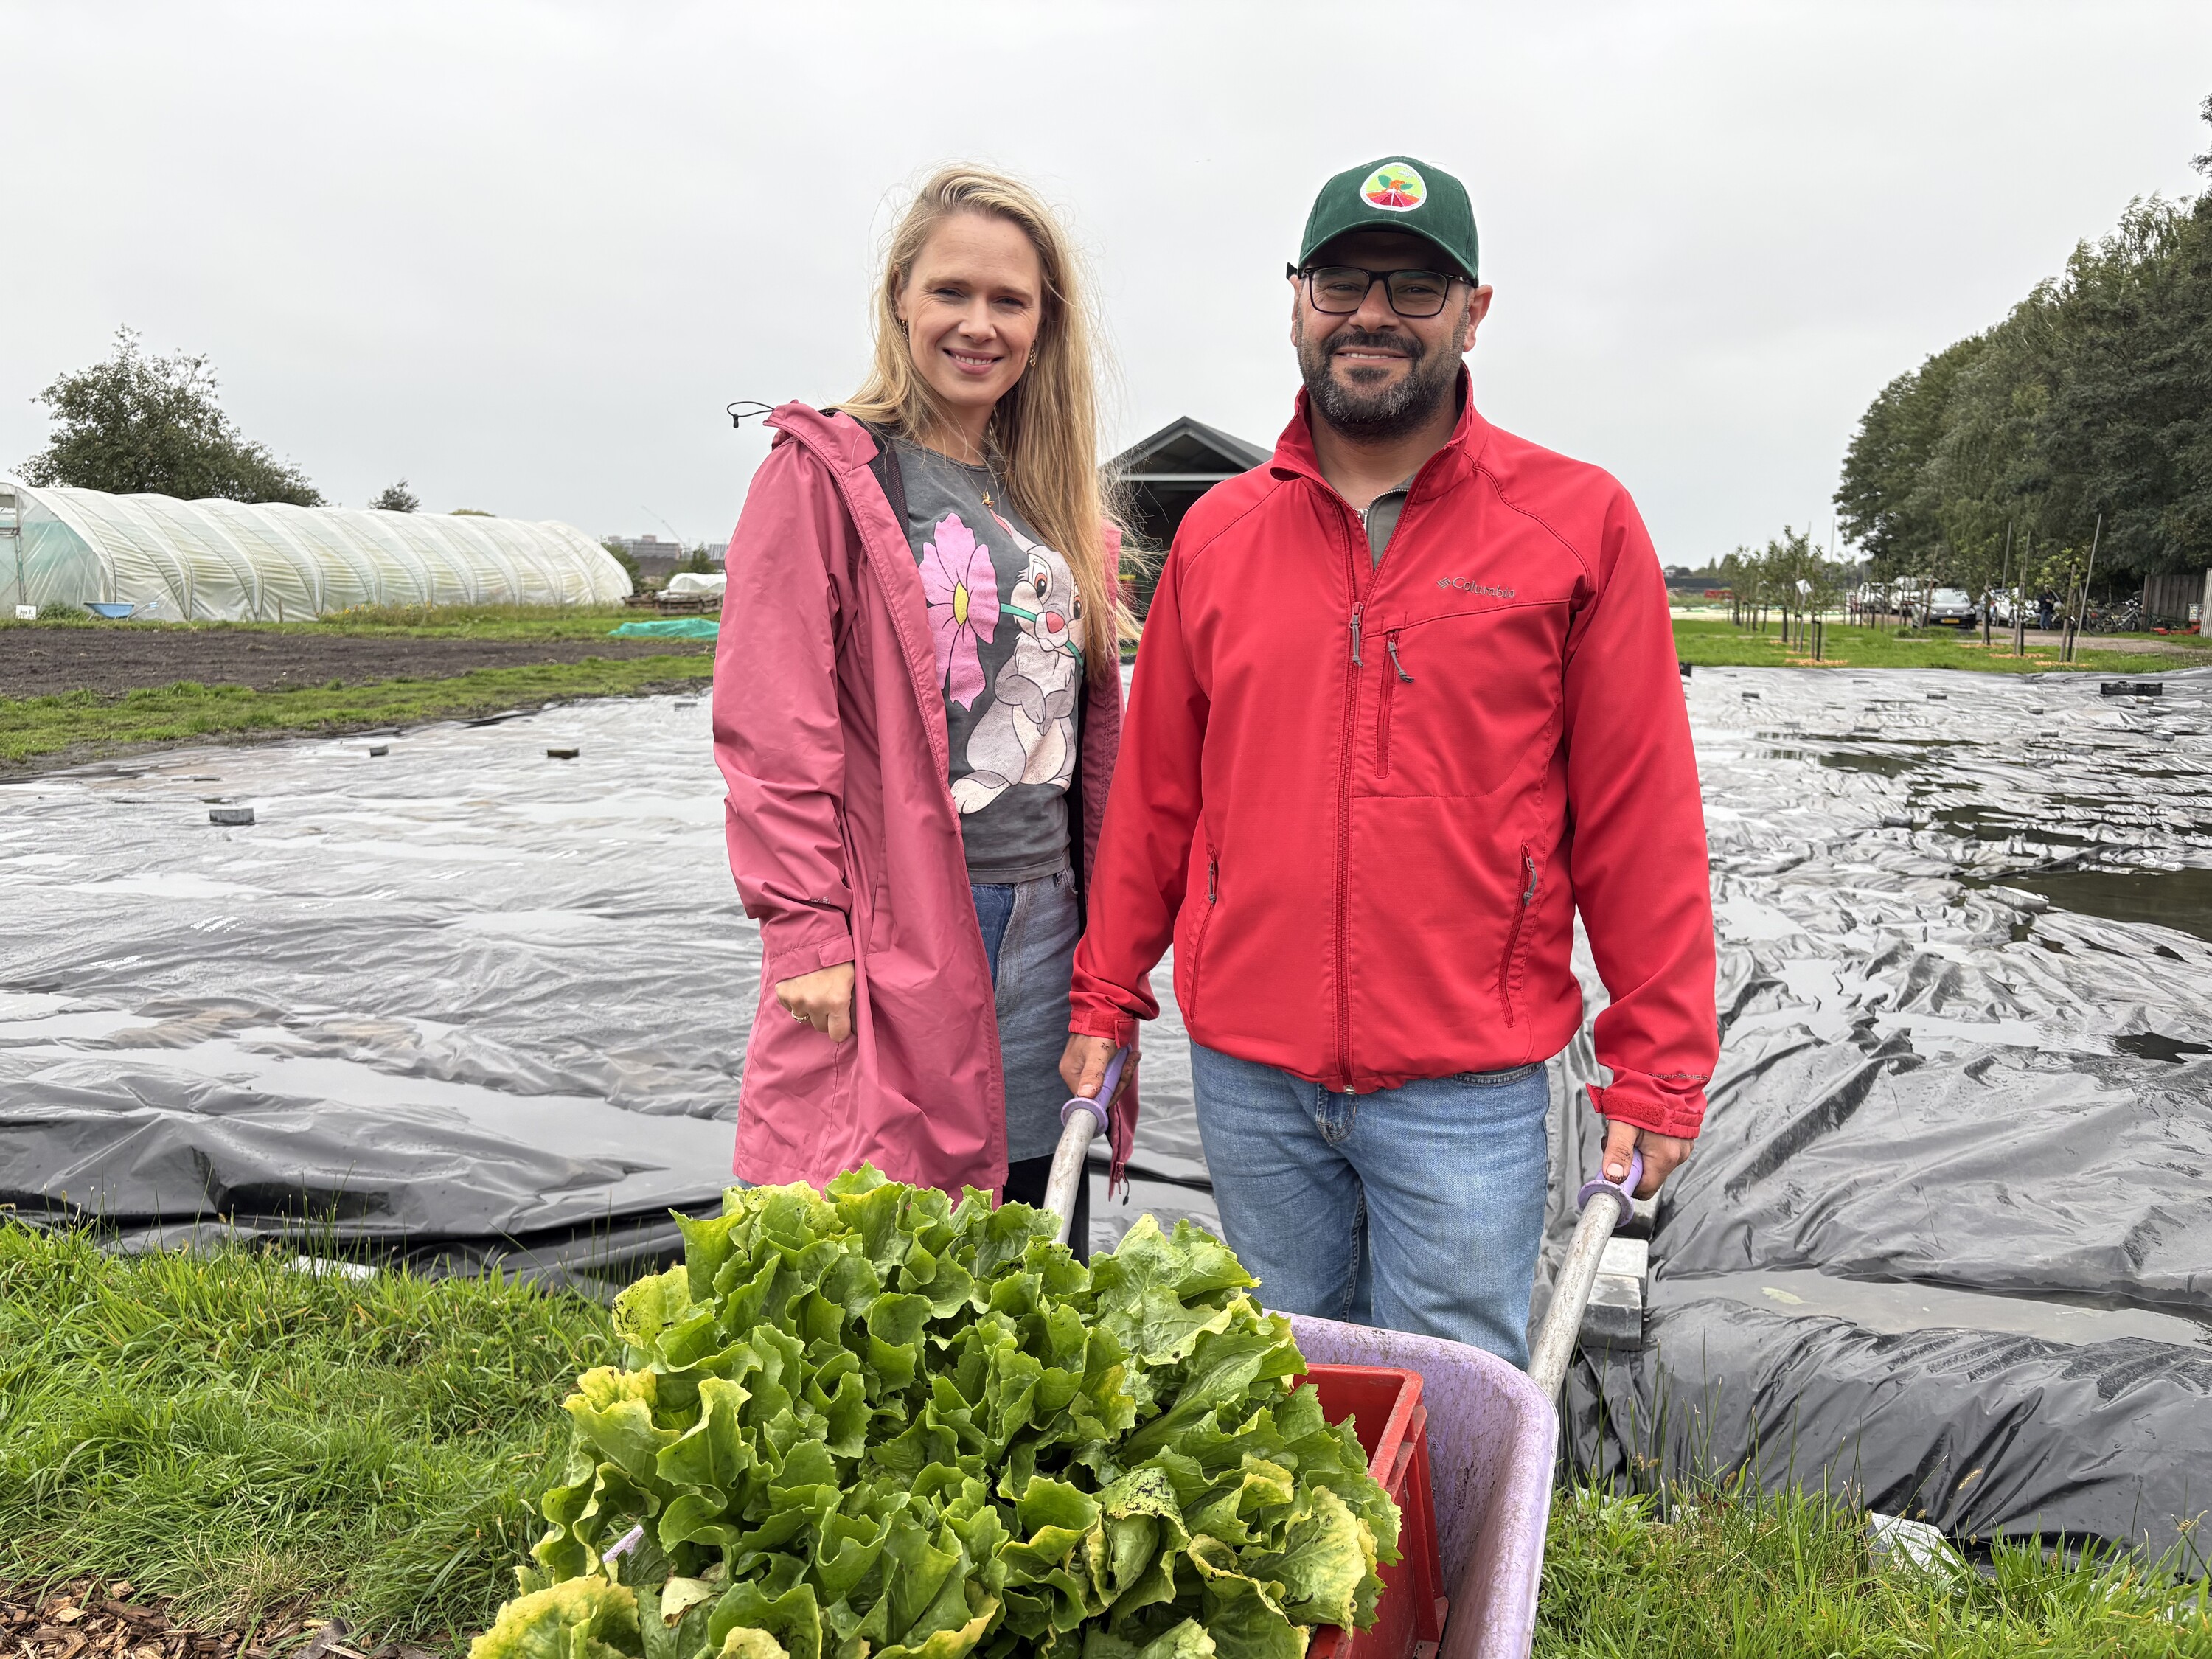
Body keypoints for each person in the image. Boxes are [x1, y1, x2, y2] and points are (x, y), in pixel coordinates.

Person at [1060, 156, 1717, 1363]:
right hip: (1252, 1069)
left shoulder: (1578, 525)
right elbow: (1159, 799)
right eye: (1344, 280)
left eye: (1416, 288)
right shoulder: (1218, 535)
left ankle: (1445, 1562)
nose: (1372, 314)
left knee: (1453, 1378)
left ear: (1475, 312)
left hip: (1468, 1080)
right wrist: (1107, 992)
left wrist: (1659, 1064)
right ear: (1297, 299)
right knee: (1285, 1367)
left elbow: (1639, 816)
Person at [714, 166, 1138, 1253]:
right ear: (901, 295)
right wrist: (806, 928)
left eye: (1011, 302)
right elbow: (774, 722)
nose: (978, 325)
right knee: (892, 1235)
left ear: (1044, 328)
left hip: (1048, 912)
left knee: (1041, 1223)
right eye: (953, 291)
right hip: (904, 917)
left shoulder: (1048, 499)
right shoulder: (827, 477)